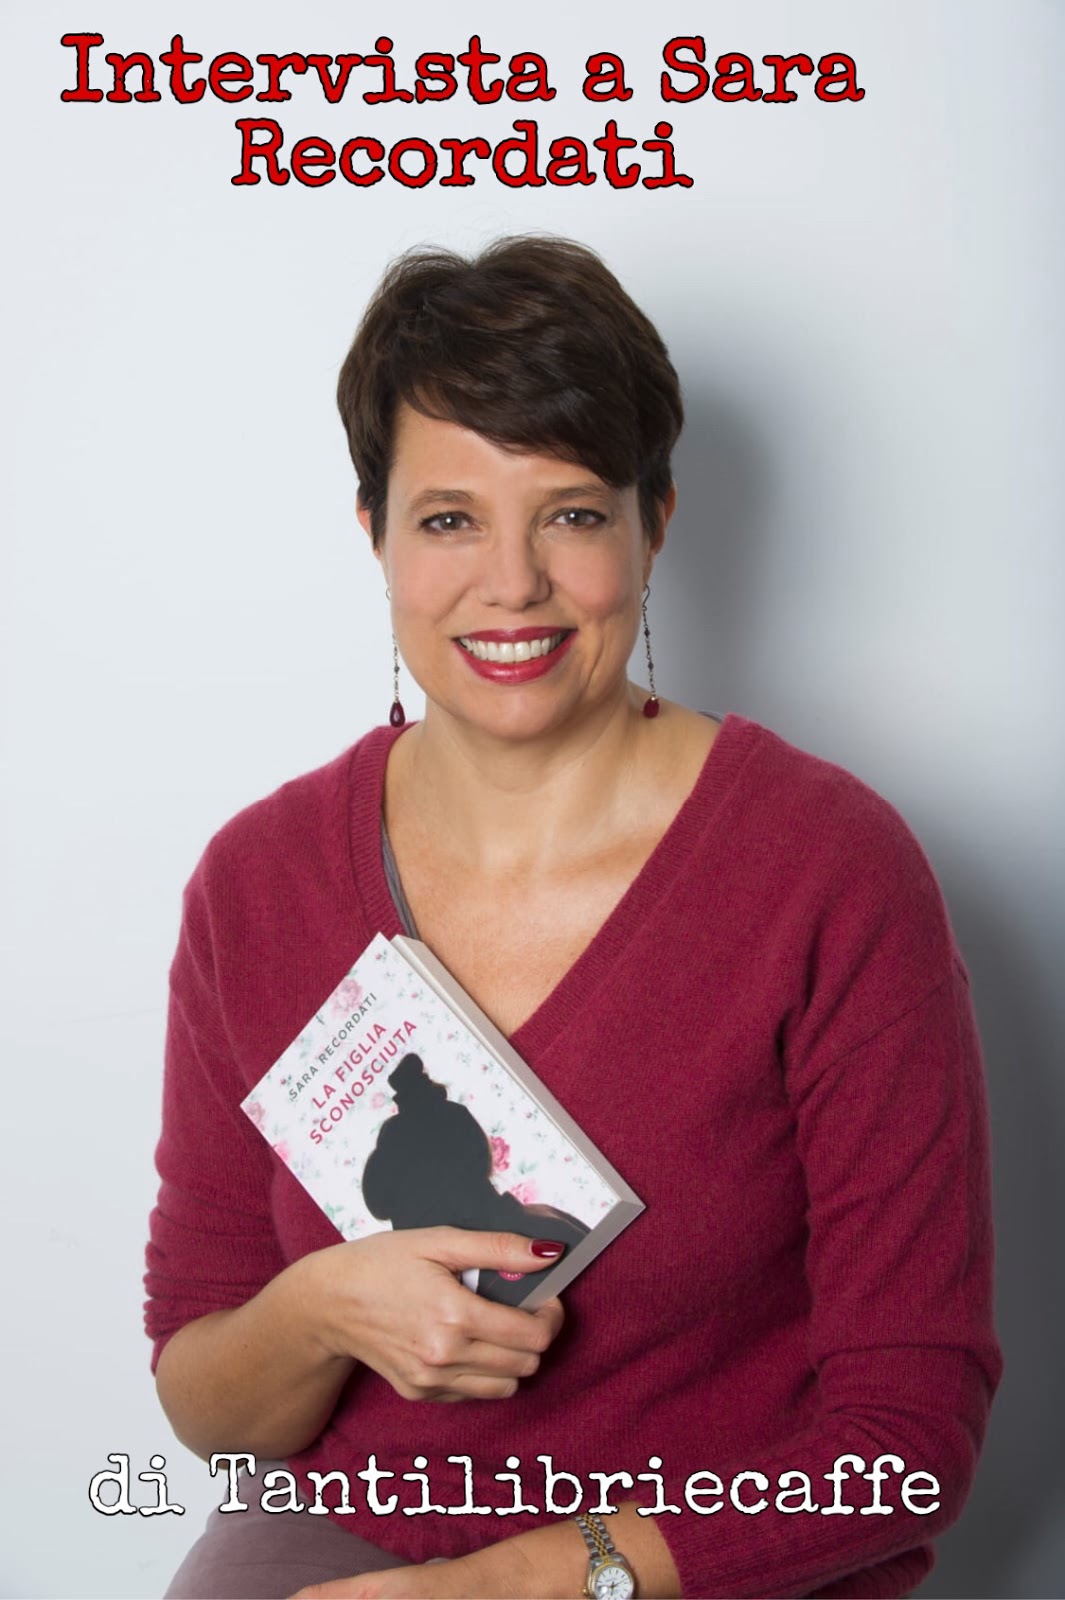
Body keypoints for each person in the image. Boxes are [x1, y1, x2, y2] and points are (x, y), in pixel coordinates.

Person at [145, 236, 1002, 1600]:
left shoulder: (829, 871)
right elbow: (206, 1400)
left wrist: (522, 1581)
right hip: (363, 1538)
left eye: (571, 515)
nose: (511, 584)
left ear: (655, 521)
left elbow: (904, 1444)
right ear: (372, 533)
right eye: (448, 519)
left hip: (704, 1552)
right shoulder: (258, 883)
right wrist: (314, 1313)